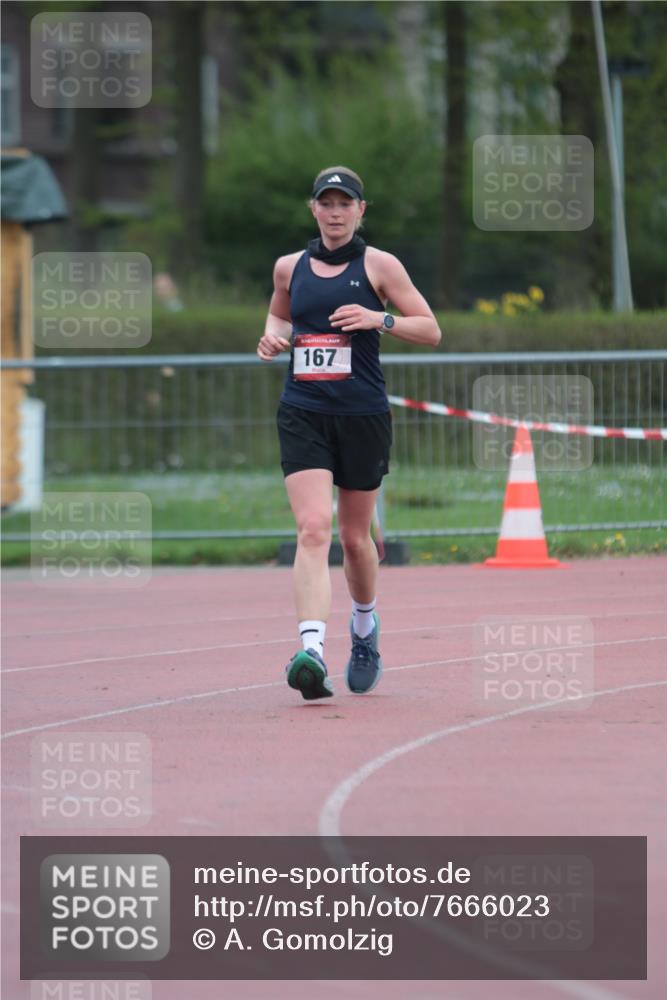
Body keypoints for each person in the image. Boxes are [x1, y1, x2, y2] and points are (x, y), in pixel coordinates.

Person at [257, 166, 441, 701]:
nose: (335, 213)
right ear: (313, 209)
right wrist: (271, 339)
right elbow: (278, 319)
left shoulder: (380, 265)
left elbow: (430, 329)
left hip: (362, 415)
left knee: (356, 540)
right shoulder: (288, 267)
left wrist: (379, 319)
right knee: (314, 528)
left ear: (361, 210)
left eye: (345, 203)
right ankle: (311, 651)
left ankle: (364, 630)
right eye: (326, 203)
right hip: (303, 411)